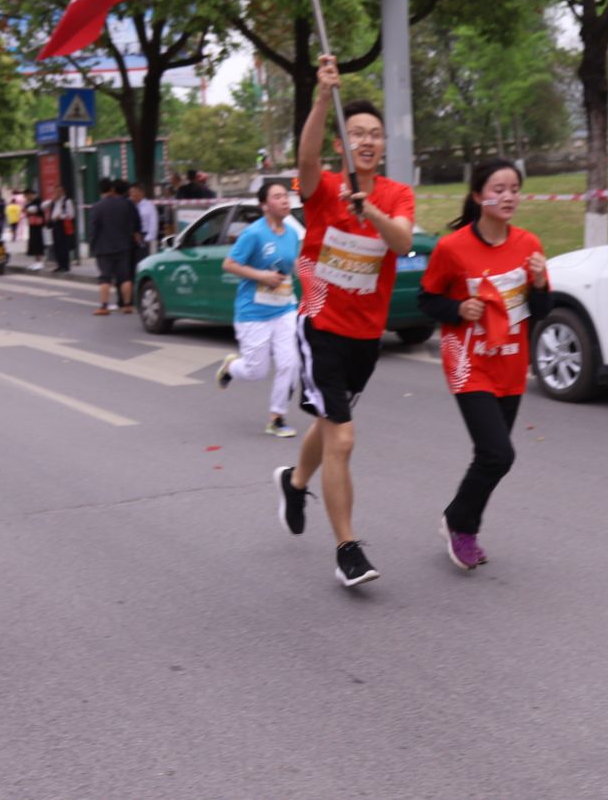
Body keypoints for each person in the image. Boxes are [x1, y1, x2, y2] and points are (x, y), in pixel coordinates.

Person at [273, 54, 414, 588]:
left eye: (375, 134)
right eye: (356, 133)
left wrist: (370, 210)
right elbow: (305, 158)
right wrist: (317, 97)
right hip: (321, 327)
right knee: (345, 437)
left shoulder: (396, 194)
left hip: (365, 337)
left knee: (328, 425)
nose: (367, 141)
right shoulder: (324, 188)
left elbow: (400, 240)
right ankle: (347, 549)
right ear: (343, 143)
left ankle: (295, 479)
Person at [416, 159, 552, 570]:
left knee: (489, 455)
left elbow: (540, 310)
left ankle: (456, 516)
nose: (509, 196)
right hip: (467, 362)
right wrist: (459, 307)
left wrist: (542, 283)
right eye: (499, 188)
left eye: (514, 188)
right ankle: (463, 527)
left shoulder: (529, 244)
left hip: (511, 365)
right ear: (479, 196)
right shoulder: (452, 247)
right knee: (498, 454)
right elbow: (427, 300)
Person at [217, 178, 302, 438]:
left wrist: (314, 283)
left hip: (284, 307)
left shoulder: (291, 233)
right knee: (256, 371)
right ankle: (231, 367)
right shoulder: (254, 233)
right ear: (265, 205)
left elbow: (294, 264)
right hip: (253, 311)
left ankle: (277, 417)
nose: (284, 200)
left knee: (290, 362)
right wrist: (261, 276)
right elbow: (229, 264)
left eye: (286, 196)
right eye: (277, 197)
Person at [88, 179, 141, 315]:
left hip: (103, 247)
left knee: (105, 278)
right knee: (125, 277)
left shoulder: (97, 207)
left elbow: (93, 230)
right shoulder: (125, 204)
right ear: (111, 189)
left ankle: (104, 306)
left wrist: (92, 246)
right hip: (123, 246)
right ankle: (128, 305)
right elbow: (134, 224)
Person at [130, 181, 159, 279]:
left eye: (135, 192)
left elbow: (153, 222)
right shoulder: (129, 204)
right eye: (131, 192)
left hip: (144, 236)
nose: (133, 194)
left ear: (141, 193)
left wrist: (148, 238)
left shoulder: (148, 205)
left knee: (142, 262)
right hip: (131, 237)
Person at [50, 188, 77, 273]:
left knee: (63, 246)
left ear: (63, 192)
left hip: (63, 225)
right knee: (57, 246)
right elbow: (44, 206)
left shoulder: (67, 201)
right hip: (55, 225)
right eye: (55, 191)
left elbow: (71, 214)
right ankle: (59, 264)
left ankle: (65, 265)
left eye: (58, 191)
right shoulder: (55, 202)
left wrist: (61, 216)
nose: (56, 193)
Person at [25, 190, 47, 268]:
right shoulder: (28, 203)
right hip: (32, 224)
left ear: (31, 194)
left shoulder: (38, 201)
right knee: (33, 242)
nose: (27, 197)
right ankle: (36, 261)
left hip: (38, 225)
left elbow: (37, 210)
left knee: (38, 242)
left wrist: (29, 210)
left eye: (27, 195)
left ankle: (40, 261)